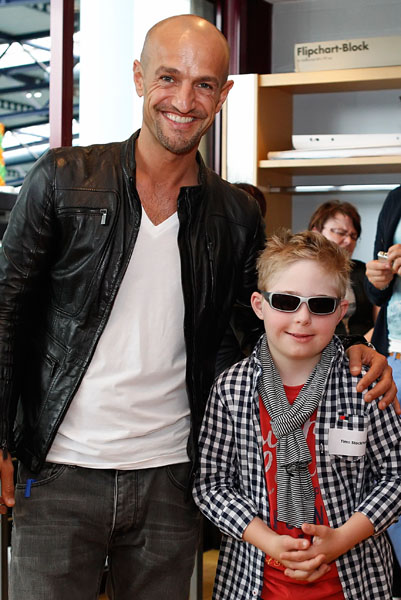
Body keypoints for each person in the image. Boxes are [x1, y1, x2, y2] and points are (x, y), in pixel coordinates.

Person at [0, 13, 395, 600]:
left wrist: (353, 347)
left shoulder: (235, 214)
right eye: (168, 77)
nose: (184, 101)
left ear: (224, 94)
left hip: (173, 477)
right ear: (139, 78)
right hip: (57, 471)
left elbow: (276, 314)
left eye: (204, 84)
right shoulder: (63, 180)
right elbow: (6, 311)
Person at [194, 230, 401, 600]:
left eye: (320, 305)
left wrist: (341, 539)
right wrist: (268, 541)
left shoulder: (365, 384)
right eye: (286, 302)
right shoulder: (231, 389)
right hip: (252, 582)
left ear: (341, 311)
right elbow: (211, 485)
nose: (303, 318)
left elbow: (395, 476)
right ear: (259, 305)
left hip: (356, 581)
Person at [365, 184, 401, 596]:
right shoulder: (396, 199)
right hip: (392, 356)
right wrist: (377, 277)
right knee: (389, 474)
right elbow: (378, 292)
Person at [309, 199, 379, 341]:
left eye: (354, 236)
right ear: (316, 232)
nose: (348, 241)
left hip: (364, 347)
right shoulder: (301, 272)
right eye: (340, 233)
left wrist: (362, 345)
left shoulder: (362, 271)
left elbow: (380, 320)